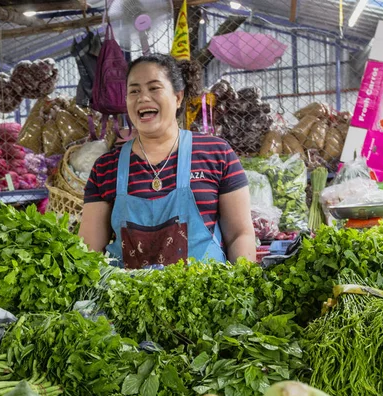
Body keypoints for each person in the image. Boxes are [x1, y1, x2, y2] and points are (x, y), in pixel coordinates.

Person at [79, 53, 256, 269]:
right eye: (134, 91)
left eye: (154, 88)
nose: (143, 98)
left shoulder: (217, 154)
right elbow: (89, 251)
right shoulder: (106, 168)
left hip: (205, 297)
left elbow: (240, 234)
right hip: (126, 298)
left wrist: (243, 282)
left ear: (178, 97)